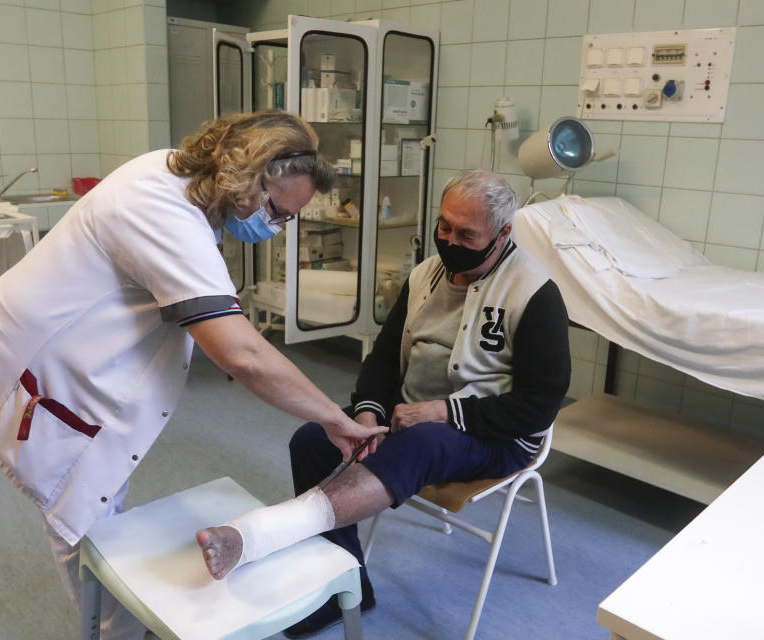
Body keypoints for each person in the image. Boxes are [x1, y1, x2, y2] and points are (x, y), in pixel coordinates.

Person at [0, 111, 385, 640]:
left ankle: (122, 618)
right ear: (248, 173)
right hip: (41, 363)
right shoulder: (162, 207)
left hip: (61, 346)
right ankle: (119, 631)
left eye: (287, 219)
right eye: (276, 210)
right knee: (79, 509)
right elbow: (241, 354)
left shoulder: (172, 174)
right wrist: (334, 418)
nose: (275, 225)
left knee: (95, 500)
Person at [196, 169, 572, 638]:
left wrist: (444, 412)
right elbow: (384, 359)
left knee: (424, 442)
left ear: (503, 234)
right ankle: (346, 583)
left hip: (495, 436)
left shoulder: (534, 294)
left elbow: (539, 406)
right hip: (410, 420)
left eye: (466, 234)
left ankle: (251, 536)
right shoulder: (424, 277)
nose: (450, 241)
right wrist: (367, 412)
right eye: (444, 227)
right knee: (314, 439)